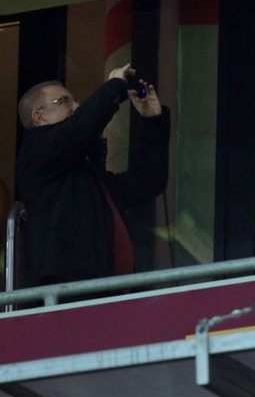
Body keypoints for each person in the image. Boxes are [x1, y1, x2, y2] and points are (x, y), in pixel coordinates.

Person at [16, 64, 170, 287]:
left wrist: (153, 120)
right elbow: (80, 128)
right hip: (68, 295)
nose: (76, 106)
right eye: (64, 101)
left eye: (76, 101)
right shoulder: (36, 152)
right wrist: (114, 86)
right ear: (39, 116)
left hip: (109, 294)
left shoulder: (87, 179)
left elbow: (148, 181)